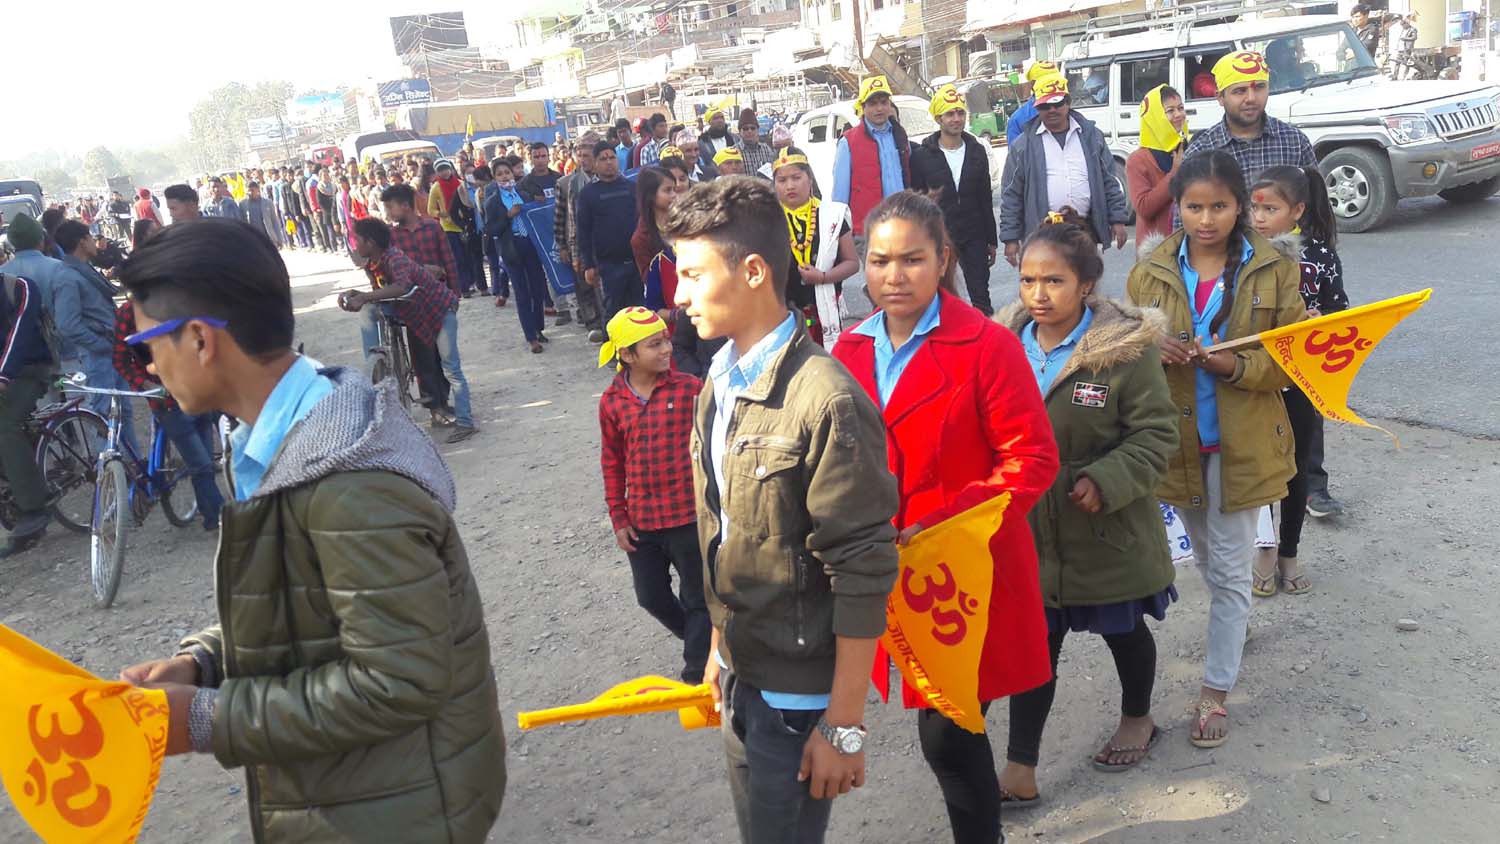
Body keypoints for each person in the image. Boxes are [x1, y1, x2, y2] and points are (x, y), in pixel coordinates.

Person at [114, 217, 506, 840]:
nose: (149, 369)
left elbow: (398, 681)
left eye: (144, 347)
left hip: (400, 809)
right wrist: (205, 662)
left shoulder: (346, 479)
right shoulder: (275, 439)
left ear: (198, 340)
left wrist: (207, 719)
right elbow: (305, 603)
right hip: (364, 789)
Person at [664, 176, 900, 844]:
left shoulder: (826, 399)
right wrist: (717, 648)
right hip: (743, 673)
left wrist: (844, 725)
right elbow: (725, 531)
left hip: (797, 702)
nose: (677, 297)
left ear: (755, 271)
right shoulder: (720, 376)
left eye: (691, 274)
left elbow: (862, 568)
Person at [831, 192, 1058, 844]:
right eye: (878, 261)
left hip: (967, 576)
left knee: (948, 736)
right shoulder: (848, 349)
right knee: (948, 732)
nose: (893, 276)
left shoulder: (985, 346)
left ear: (944, 260)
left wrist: (941, 524)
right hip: (883, 572)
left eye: (911, 259)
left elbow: (1033, 458)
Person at [994, 209, 1179, 807]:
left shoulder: (1123, 351)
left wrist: (1106, 478)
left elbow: (1155, 433)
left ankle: (1137, 717)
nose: (1038, 295)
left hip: (1105, 528)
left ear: (1086, 285)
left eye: (1054, 282)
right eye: (1028, 280)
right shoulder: (1001, 346)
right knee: (1034, 647)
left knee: (1124, 632)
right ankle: (1021, 765)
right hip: (1026, 529)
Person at [1126, 150, 1304, 749]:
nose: (1206, 219)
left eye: (1220, 207)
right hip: (1174, 442)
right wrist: (1153, 350)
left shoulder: (1275, 267)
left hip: (1242, 442)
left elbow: (1288, 359)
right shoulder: (1150, 268)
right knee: (1207, 560)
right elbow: (1125, 346)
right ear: (1178, 205)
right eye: (1194, 206)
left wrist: (1233, 364)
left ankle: (1215, 690)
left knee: (1227, 572)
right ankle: (1236, 622)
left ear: (1240, 205)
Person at [1247, 164, 1350, 597]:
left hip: (1300, 384)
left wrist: (1318, 320)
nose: (1259, 217)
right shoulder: (1242, 254)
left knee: (1294, 473)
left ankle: (1289, 552)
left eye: (1270, 208)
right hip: (1251, 383)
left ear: (1298, 211)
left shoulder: (1321, 257)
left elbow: (1341, 314)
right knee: (1255, 474)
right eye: (1254, 208)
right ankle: (1263, 553)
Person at [596, 306, 709, 683]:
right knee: (651, 597)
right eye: (654, 344)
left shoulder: (691, 390)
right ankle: (701, 639)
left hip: (689, 518)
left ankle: (697, 671)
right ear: (626, 355)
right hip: (643, 522)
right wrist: (618, 517)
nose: (667, 350)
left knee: (698, 598)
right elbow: (612, 462)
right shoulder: (612, 402)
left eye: (665, 341)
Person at [347, 218, 477, 442]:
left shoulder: (394, 257)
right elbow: (382, 291)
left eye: (357, 239)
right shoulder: (373, 263)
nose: (355, 244)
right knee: (369, 311)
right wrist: (356, 296)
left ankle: (466, 422)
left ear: (371, 242)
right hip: (414, 310)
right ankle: (374, 360)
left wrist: (365, 297)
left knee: (450, 367)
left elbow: (400, 286)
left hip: (439, 310)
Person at [112, 296, 225, 530]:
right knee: (202, 465)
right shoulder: (129, 313)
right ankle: (220, 518)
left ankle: (210, 514)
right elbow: (120, 359)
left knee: (204, 464)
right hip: (168, 402)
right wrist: (145, 385)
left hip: (199, 393)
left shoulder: (184, 300)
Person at [999, 74, 1129, 265]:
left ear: (1068, 103)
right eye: (1045, 106)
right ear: (1036, 107)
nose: (1052, 110)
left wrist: (1117, 219)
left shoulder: (1091, 136)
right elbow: (1011, 194)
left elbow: (1109, 179)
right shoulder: (1023, 145)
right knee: (1050, 289)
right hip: (1043, 234)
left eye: (1057, 103)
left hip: (1084, 231)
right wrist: (1010, 239)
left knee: (1086, 287)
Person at [910, 84, 1000, 316]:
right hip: (940, 234)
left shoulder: (977, 150)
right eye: (950, 114)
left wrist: (991, 239)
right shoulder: (922, 156)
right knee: (943, 296)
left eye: (960, 113)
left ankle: (987, 344)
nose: (956, 119)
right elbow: (918, 202)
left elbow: (985, 197)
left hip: (974, 233)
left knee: (981, 295)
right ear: (939, 118)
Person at [380, 183, 459, 425]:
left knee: (443, 355)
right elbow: (392, 270)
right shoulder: (392, 236)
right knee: (422, 355)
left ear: (405, 205)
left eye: (390, 207)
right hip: (412, 305)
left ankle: (444, 400)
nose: (389, 213)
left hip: (438, 301)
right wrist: (423, 270)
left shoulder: (432, 227)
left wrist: (455, 294)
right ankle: (434, 406)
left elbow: (448, 259)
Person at [1181, 51, 1316, 188]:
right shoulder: (1201, 151)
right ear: (1220, 97)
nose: (1251, 98)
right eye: (1240, 91)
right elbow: (1185, 207)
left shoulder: (1295, 142)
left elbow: (1315, 202)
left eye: (1259, 87)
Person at [774, 148, 859, 347]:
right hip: (783, 316)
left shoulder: (833, 216)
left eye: (796, 177)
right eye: (782, 180)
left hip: (824, 314)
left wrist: (822, 277)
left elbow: (852, 263)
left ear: (809, 178)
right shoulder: (768, 220)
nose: (790, 186)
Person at [0, 256, 57, 556]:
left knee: (4, 424)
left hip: (28, 370)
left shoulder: (18, 287)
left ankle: (33, 508)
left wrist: (3, 374)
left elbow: (19, 337)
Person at [831, 75, 911, 242]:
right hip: (868, 232)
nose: (879, 108)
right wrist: (840, 236)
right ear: (863, 106)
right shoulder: (848, 142)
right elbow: (839, 197)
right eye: (873, 103)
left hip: (903, 226)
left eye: (883, 102)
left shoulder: (899, 135)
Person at [484, 160, 551, 354]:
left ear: (513, 175)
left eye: (507, 173)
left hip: (531, 245)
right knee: (522, 293)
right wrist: (507, 216)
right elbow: (491, 229)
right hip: (512, 248)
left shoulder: (523, 195)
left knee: (538, 289)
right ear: (495, 178)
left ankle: (538, 329)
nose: (505, 177)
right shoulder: (493, 202)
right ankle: (530, 337)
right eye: (500, 174)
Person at [576, 142, 642, 321]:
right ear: (595, 164)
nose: (609, 162)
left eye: (612, 157)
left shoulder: (631, 188)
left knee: (640, 313)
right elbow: (583, 231)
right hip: (609, 266)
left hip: (637, 263)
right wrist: (589, 265)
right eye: (603, 159)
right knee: (614, 315)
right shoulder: (588, 194)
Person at [556, 133, 607, 342]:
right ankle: (593, 325)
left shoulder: (609, 179)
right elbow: (565, 219)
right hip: (581, 244)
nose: (584, 160)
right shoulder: (569, 184)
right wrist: (566, 248)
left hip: (605, 244)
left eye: (589, 155)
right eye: (581, 155)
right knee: (585, 287)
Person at [1127, 84, 1191, 241]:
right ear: (1155, 117)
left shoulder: (1190, 148)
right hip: (1157, 252)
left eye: (1181, 108)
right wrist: (1174, 173)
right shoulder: (1138, 160)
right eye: (1170, 111)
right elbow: (1144, 208)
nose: (1178, 115)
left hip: (1190, 246)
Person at [631, 167, 680, 319]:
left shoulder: (685, 223)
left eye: (674, 190)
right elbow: (654, 299)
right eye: (667, 190)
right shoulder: (641, 239)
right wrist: (677, 315)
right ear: (651, 195)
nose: (674, 195)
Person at [428, 159, 476, 296]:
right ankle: (464, 287)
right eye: (441, 170)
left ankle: (472, 282)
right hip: (448, 227)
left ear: (451, 169)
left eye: (446, 169)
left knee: (468, 257)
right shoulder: (436, 187)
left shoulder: (460, 184)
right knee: (458, 258)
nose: (444, 172)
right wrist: (440, 213)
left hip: (464, 225)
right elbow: (430, 210)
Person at [1006, 60, 1061, 146]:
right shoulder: (1018, 119)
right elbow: (1015, 156)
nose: (1050, 85)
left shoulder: (1067, 111)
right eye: (1044, 81)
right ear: (1032, 84)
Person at [239, 181, 283, 246]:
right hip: (253, 239)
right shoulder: (243, 204)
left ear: (258, 189)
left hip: (268, 238)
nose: (250, 193)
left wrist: (279, 239)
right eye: (248, 191)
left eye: (252, 190)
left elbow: (274, 222)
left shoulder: (268, 203)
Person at [737, 109, 775, 177]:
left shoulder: (766, 149)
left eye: (753, 128)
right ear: (740, 131)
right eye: (745, 128)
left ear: (757, 130)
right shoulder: (734, 152)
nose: (749, 131)